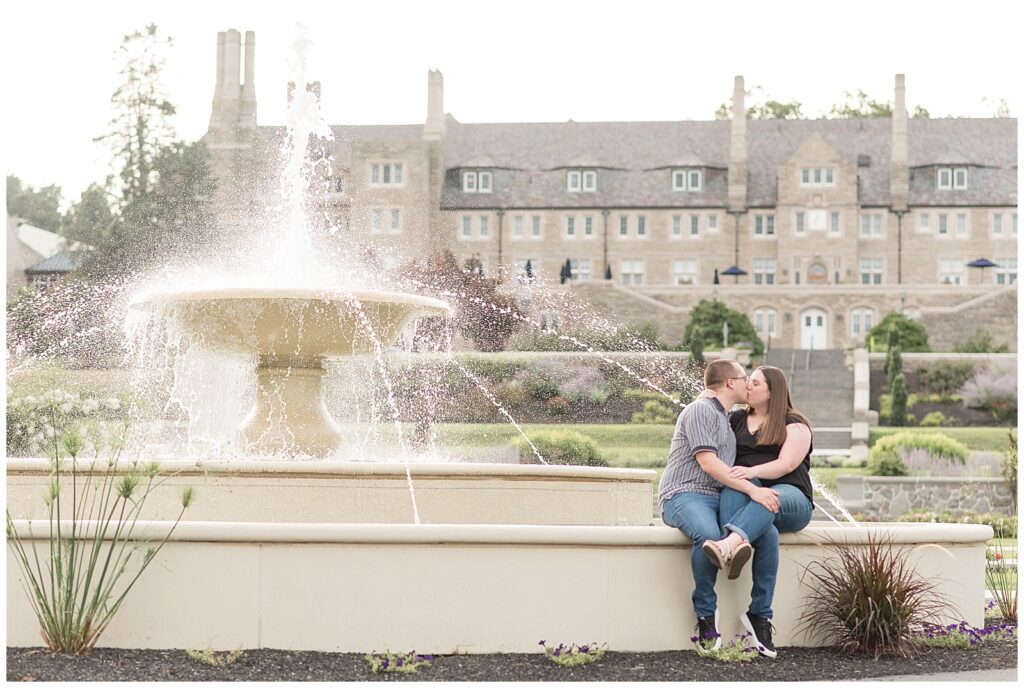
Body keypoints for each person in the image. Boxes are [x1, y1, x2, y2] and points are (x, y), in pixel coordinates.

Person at [658, 359, 781, 655]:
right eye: (744, 379)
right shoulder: (700, 409)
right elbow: (708, 462)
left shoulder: (727, 416)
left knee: (770, 535)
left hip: (719, 496)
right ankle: (705, 613)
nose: (747, 384)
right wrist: (752, 489)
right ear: (729, 383)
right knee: (707, 533)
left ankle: (760, 614)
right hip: (683, 494)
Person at [700, 365, 814, 659]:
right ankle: (759, 615)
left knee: (767, 495)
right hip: (751, 500)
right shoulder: (736, 418)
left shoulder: (795, 424)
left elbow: (787, 465)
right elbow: (709, 418)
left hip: (790, 497)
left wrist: (750, 473)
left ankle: (729, 542)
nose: (747, 386)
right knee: (769, 534)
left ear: (772, 391)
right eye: (747, 381)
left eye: (754, 383)